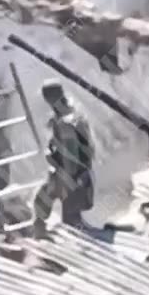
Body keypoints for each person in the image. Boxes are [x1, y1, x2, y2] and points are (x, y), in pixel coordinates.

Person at [36, 81, 94, 236]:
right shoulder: (69, 113)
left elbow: (71, 154)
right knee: (44, 199)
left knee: (48, 201)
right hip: (75, 172)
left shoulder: (65, 122)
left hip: (71, 174)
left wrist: (67, 177)